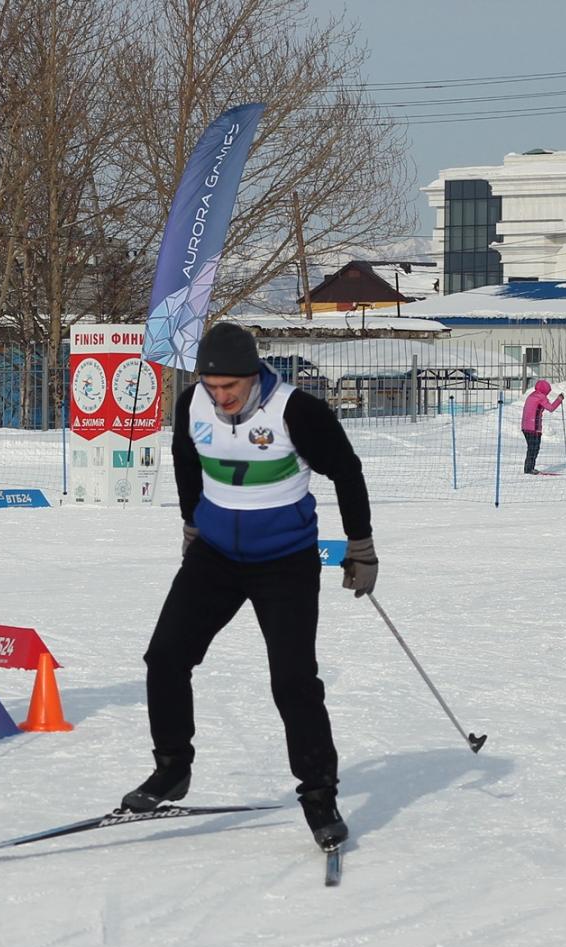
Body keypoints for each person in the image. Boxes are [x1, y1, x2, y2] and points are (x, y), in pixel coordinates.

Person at [122, 321, 376, 852]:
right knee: (165, 657)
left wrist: (361, 546)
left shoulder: (295, 411)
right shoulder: (191, 403)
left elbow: (347, 471)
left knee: (292, 681)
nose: (221, 397)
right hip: (216, 555)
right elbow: (186, 460)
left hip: (285, 561)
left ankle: (318, 797)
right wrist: (192, 526)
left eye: (229, 388)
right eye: (212, 387)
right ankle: (172, 769)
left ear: (253, 374)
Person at [520, 379, 563, 474]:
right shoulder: (541, 397)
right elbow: (551, 408)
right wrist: (559, 400)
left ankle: (529, 468)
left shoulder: (532, 395)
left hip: (525, 426)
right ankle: (529, 469)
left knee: (531, 448)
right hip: (533, 427)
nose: (547, 394)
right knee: (534, 448)